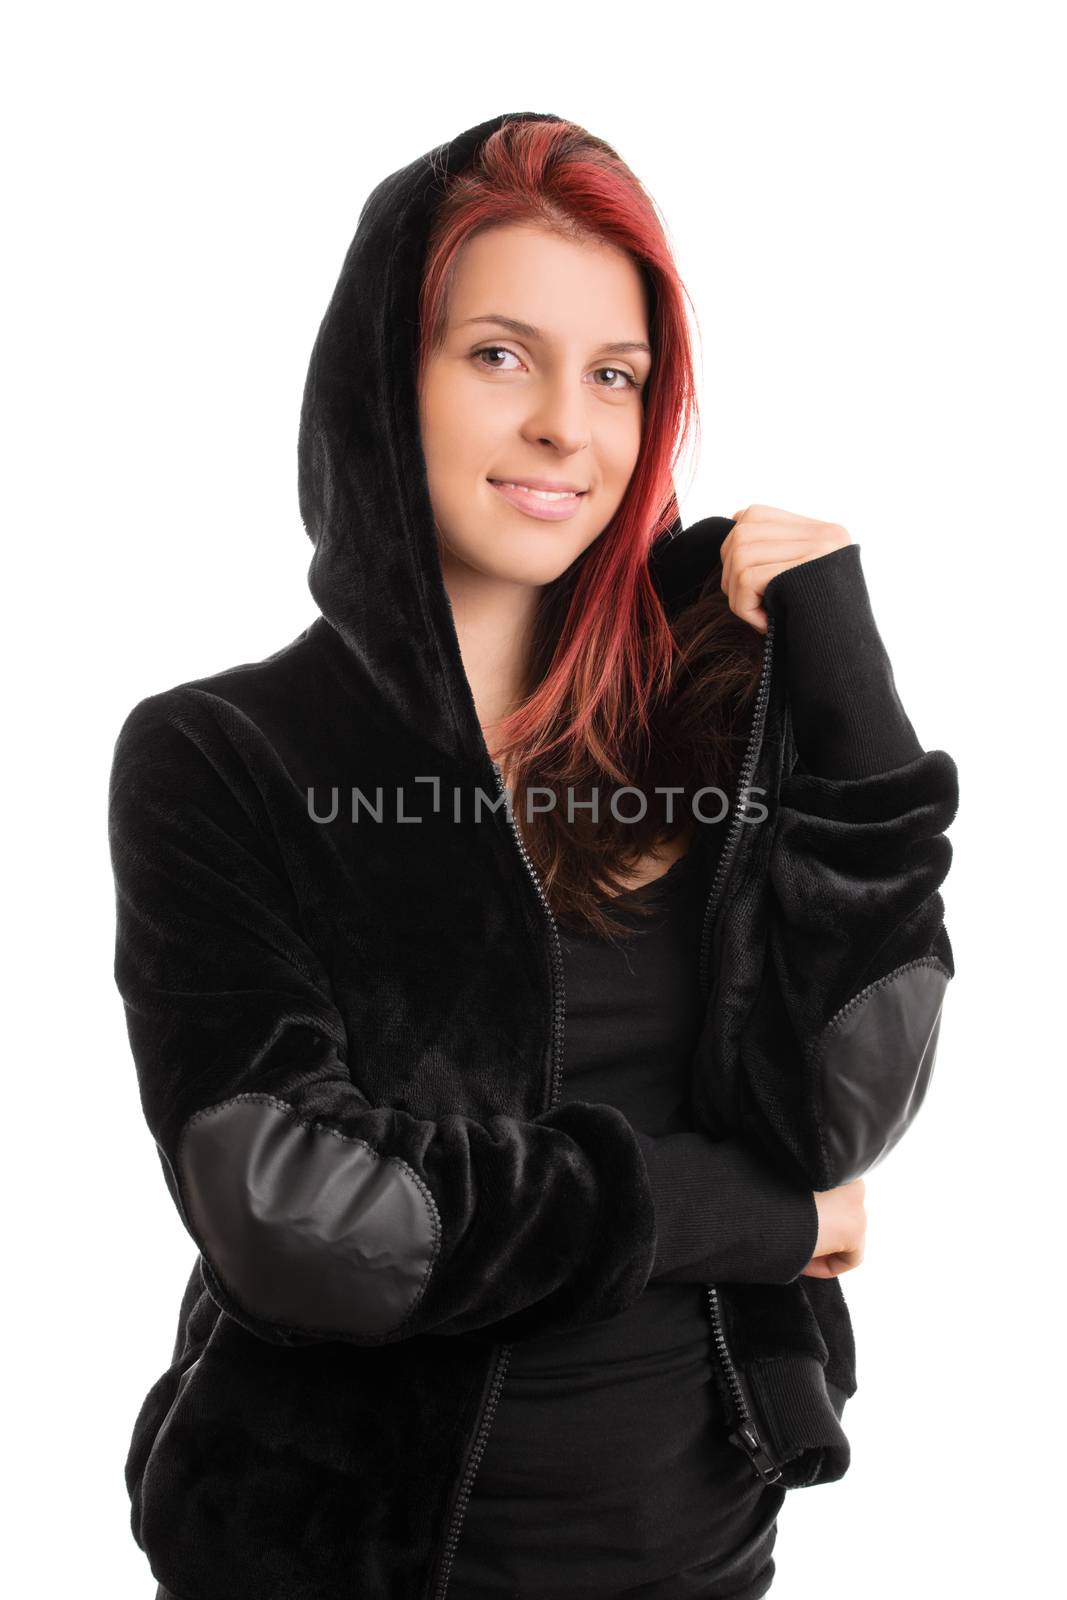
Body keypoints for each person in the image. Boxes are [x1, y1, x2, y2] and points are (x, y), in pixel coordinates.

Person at [108, 112, 958, 1600]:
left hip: (700, 1550)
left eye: (616, 375)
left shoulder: (712, 729)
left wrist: (853, 702)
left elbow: (841, 1116)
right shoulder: (222, 755)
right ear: (387, 384)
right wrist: (748, 1219)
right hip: (337, 1565)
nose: (570, 424)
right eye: (501, 354)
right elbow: (296, 1215)